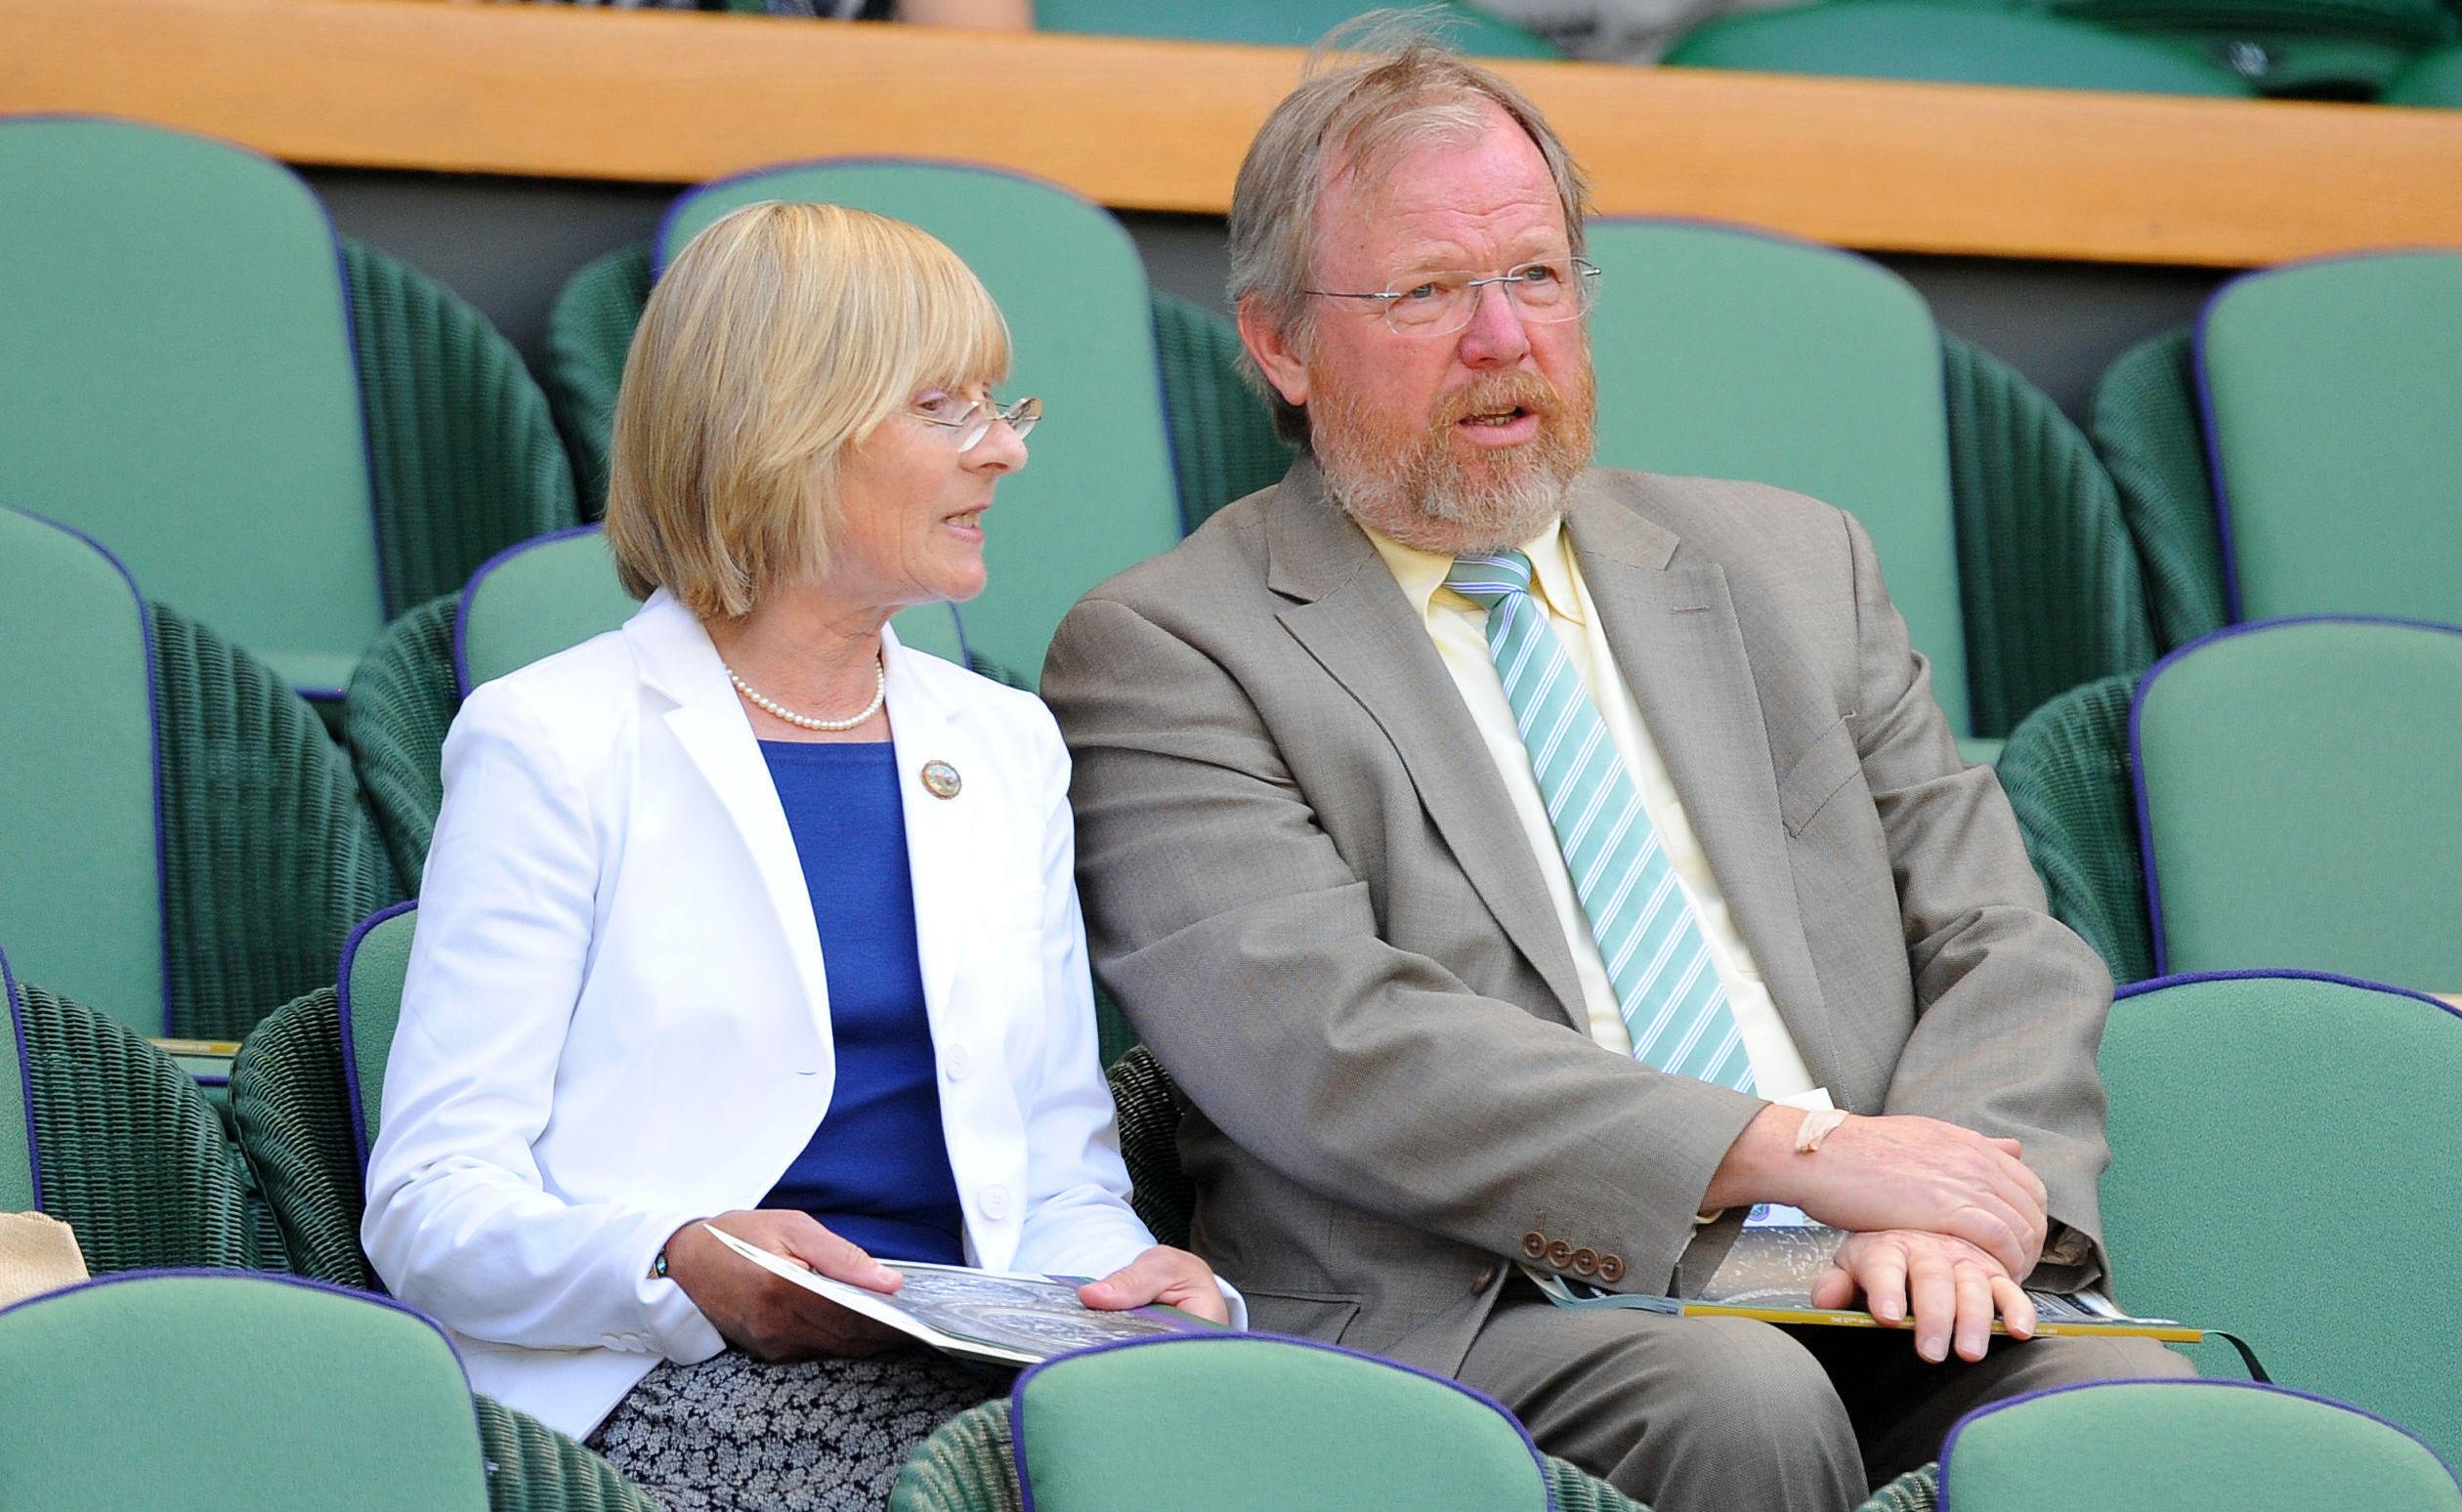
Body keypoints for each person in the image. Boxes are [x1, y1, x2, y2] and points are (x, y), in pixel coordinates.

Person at [1040, 38, 2186, 1512]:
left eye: (1535, 275)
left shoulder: (1795, 563)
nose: (1500, 337)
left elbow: (2002, 942)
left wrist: (1961, 1210)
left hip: (1880, 1270)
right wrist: (1809, 1157)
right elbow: (1332, 1046)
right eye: (1428, 291)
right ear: (1277, 342)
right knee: (1736, 1397)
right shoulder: (1169, 644)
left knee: (2127, 1409)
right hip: (1486, 1305)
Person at [362, 200, 1232, 1511]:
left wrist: (1132, 1282)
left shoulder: (1006, 747)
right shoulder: (554, 740)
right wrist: (674, 1258)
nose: (1004, 453)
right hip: (661, 1378)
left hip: (983, 1376)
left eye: (1005, 408)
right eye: (947, 408)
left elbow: (1058, 1175)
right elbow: (432, 1205)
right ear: (785, 433)